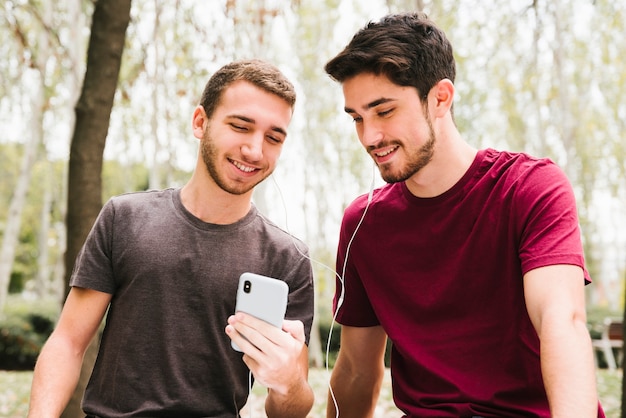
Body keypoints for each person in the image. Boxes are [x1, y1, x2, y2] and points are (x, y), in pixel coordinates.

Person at [323, 12, 604, 418]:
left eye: (384, 111)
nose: (369, 137)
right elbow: (354, 369)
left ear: (440, 98)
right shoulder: (363, 224)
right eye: (357, 118)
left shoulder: (530, 188)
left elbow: (563, 323)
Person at [27, 59, 315, 418]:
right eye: (241, 126)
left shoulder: (289, 258)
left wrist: (287, 382)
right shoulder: (124, 218)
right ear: (200, 122)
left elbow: (292, 408)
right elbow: (68, 343)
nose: (255, 150)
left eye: (273, 137)